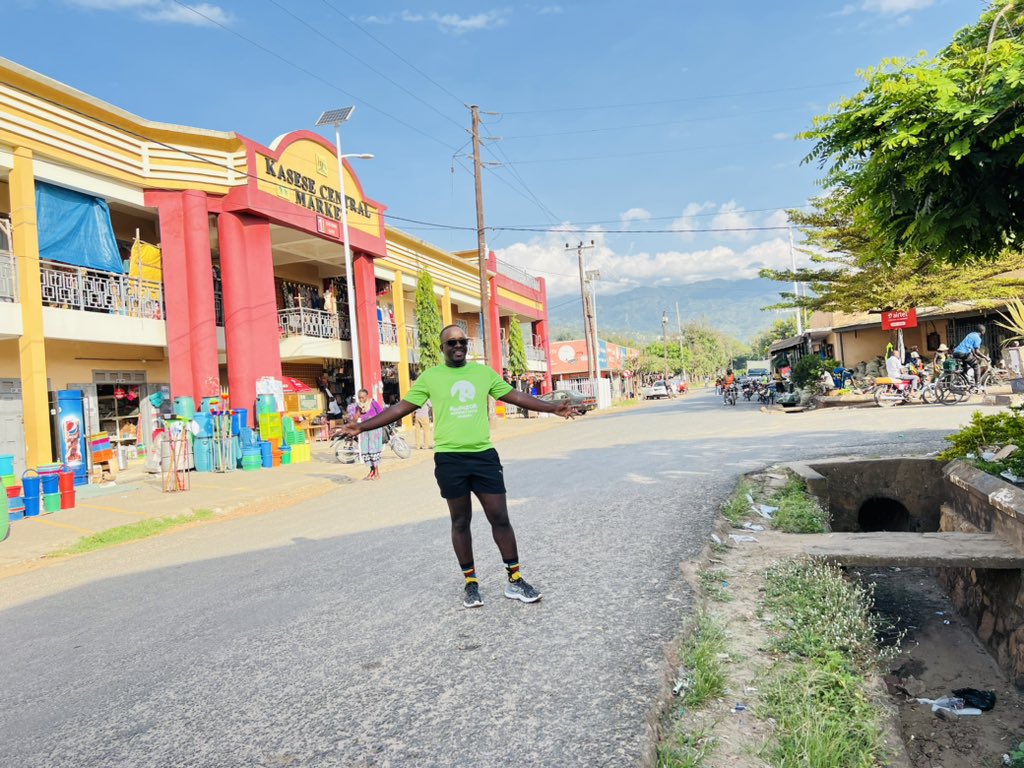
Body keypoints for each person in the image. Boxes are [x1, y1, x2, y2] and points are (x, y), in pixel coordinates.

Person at [339, 324, 579, 608]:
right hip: (450, 459)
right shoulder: (431, 378)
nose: (457, 346)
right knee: (460, 520)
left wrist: (552, 408)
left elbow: (515, 396)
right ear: (442, 348)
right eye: (451, 343)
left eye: (461, 341)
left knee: (500, 517)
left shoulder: (482, 374)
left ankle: (515, 581)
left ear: (467, 345)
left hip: (483, 457)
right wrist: (362, 427)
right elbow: (399, 408)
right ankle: (471, 583)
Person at [348, 389, 384, 480]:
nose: (360, 400)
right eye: (359, 398)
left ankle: (377, 472)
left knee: (373, 451)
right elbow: (356, 418)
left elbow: (382, 413)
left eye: (362, 398)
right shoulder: (358, 406)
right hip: (364, 430)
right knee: (366, 451)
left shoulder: (373, 403)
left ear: (366, 397)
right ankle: (371, 471)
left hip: (374, 430)